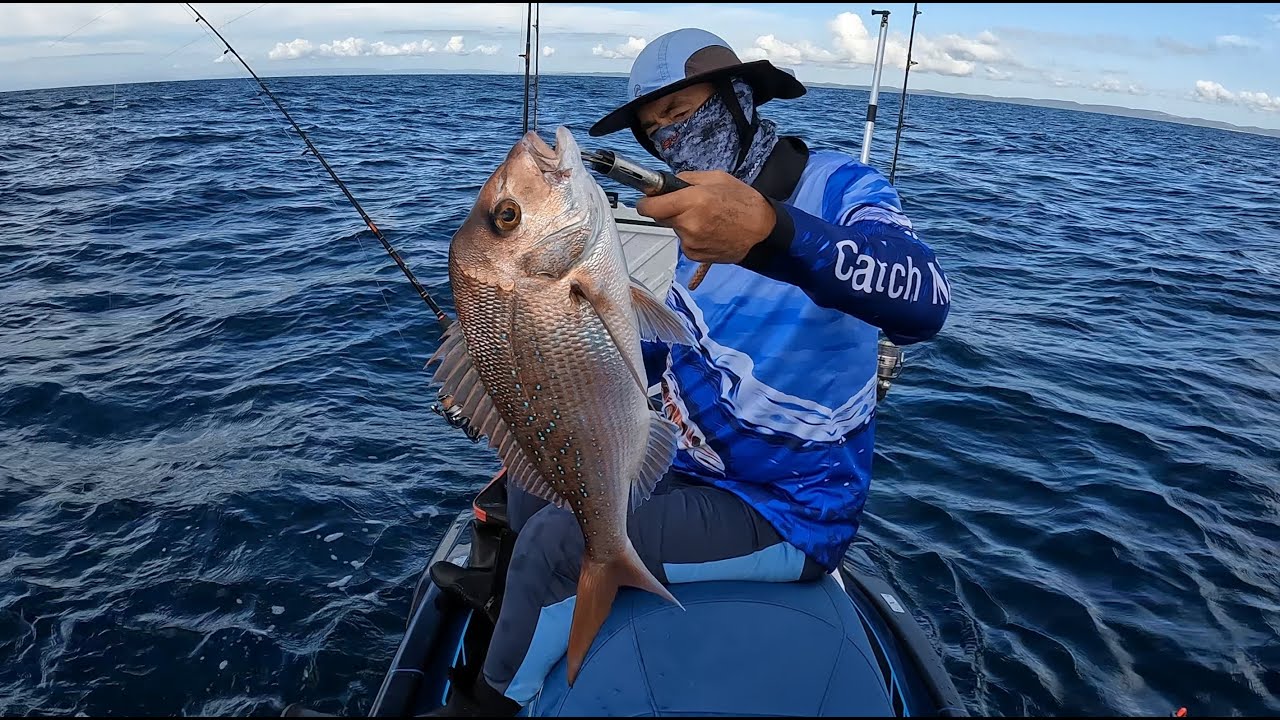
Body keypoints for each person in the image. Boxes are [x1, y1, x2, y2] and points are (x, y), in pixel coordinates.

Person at [429, 27, 952, 717]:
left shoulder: (841, 189)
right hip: (690, 459)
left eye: (681, 113)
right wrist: (525, 374)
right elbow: (680, 342)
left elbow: (924, 301)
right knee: (525, 499)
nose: (670, 139)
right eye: (654, 129)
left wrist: (772, 234)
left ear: (740, 97)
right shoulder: (692, 224)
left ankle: (480, 708)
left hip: (785, 503)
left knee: (559, 542)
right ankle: (510, 611)